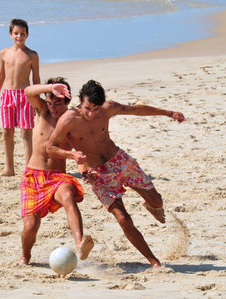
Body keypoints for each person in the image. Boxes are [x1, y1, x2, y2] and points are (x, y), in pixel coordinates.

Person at [46, 80, 185, 268]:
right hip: (98, 174)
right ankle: (154, 262)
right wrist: (72, 155)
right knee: (123, 219)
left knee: (157, 202)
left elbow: (135, 110)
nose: (90, 114)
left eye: (95, 109)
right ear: (80, 101)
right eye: (87, 108)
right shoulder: (68, 120)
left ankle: (150, 204)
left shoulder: (107, 108)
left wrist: (168, 113)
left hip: (119, 161)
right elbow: (50, 147)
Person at [19, 77, 94, 265]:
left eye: (58, 104)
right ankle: (25, 255)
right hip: (33, 176)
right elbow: (28, 91)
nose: (53, 107)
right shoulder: (42, 110)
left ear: (68, 101)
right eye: (50, 102)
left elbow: (80, 154)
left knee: (68, 196)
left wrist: (84, 171)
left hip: (57, 177)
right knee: (30, 226)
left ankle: (80, 245)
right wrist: (51, 87)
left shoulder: (72, 122)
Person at [0, 18, 40, 176]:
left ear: (27, 35)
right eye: (16, 33)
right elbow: (0, 76)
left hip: (25, 96)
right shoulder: (4, 53)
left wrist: (37, 101)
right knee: (7, 131)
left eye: (22, 34)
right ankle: (9, 168)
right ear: (10, 35)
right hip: (7, 94)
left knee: (26, 133)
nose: (19, 36)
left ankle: (29, 168)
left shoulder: (32, 55)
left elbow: (36, 80)